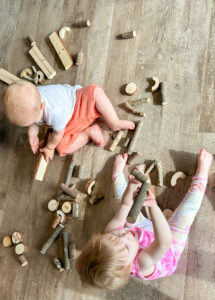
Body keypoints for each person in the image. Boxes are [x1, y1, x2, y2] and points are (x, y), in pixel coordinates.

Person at [76, 149, 212, 290]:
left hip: (144, 232)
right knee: (187, 214)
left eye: (116, 235)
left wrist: (132, 186)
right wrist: (153, 207)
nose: (126, 235)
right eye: (126, 247)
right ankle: (202, 176)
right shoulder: (143, 262)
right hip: (167, 244)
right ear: (129, 266)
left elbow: (125, 204)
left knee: (121, 202)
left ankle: (117, 175)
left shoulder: (112, 232)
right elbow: (164, 241)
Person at [2, 81, 135, 161]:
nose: (33, 123)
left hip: (76, 106)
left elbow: (57, 134)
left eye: (33, 120)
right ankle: (88, 133)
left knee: (95, 91)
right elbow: (34, 121)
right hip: (71, 112)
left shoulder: (54, 113)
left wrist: (49, 147)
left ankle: (114, 121)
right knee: (63, 147)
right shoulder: (35, 97)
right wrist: (32, 134)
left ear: (42, 106)